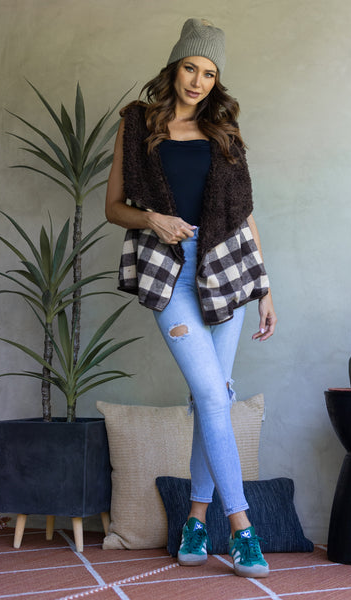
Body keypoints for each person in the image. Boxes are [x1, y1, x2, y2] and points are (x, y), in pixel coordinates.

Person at [105, 17, 277, 578]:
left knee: (213, 398)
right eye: (190, 68)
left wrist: (265, 286)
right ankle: (243, 528)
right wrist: (153, 219)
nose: (198, 81)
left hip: (226, 267)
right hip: (172, 269)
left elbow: (244, 214)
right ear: (174, 67)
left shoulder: (224, 133)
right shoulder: (137, 124)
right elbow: (113, 208)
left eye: (209, 73)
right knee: (211, 393)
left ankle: (196, 521)